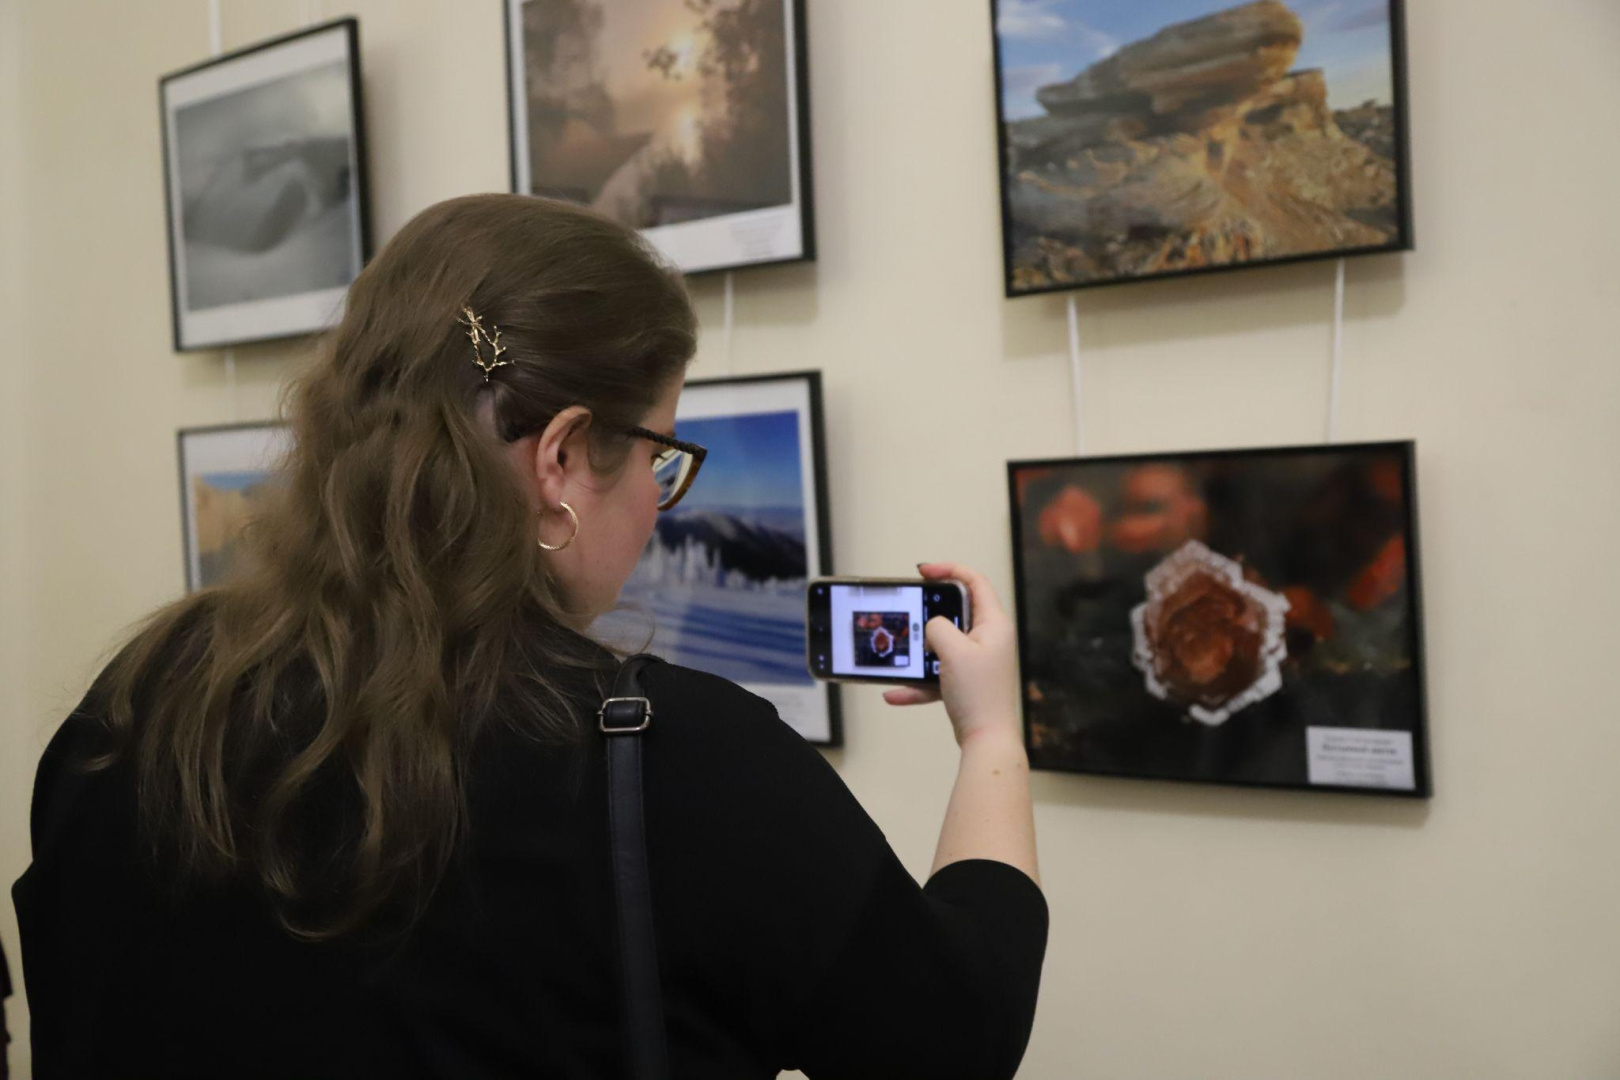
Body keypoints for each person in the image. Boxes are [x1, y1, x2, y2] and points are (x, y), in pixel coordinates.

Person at [12, 194, 1046, 1078]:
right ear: (558, 460)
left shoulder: (135, 702)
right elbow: (952, 1042)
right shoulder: (676, 763)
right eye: (659, 453)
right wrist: (991, 739)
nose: (659, 502)